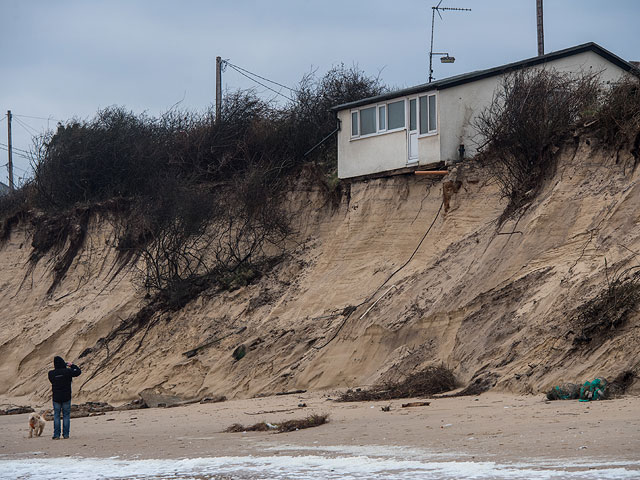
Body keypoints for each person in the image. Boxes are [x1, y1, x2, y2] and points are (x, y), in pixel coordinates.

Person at [48, 356, 81, 439]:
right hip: (66, 396)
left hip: (56, 397)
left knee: (56, 415)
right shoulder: (67, 371)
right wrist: (72, 365)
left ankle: (56, 435)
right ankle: (66, 434)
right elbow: (78, 372)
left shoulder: (51, 373)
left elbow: (52, 380)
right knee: (66, 415)